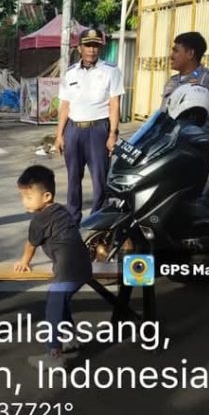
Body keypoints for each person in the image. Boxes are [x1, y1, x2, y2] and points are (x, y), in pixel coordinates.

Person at [13, 165, 92, 367]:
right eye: (23, 197)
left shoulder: (39, 220)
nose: (24, 202)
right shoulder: (62, 211)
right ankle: (70, 338)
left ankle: (53, 355)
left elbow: (31, 245)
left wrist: (24, 262)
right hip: (83, 266)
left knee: (53, 308)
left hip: (67, 271)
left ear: (47, 196)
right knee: (59, 300)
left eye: (28, 197)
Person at [54, 28, 124, 225]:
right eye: (88, 45)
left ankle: (97, 221)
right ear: (79, 48)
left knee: (100, 179)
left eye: (95, 46)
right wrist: (59, 135)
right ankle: (73, 218)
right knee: (73, 179)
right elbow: (65, 106)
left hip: (98, 130)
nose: (92, 50)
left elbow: (114, 104)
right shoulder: (70, 73)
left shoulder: (111, 71)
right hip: (74, 130)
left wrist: (113, 134)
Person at [162, 31, 209, 132]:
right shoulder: (172, 81)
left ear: (190, 53)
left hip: (193, 147)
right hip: (167, 145)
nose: (171, 56)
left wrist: (201, 134)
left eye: (176, 51)